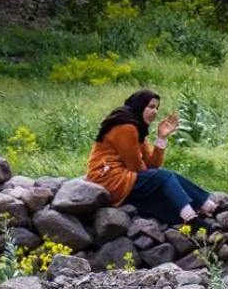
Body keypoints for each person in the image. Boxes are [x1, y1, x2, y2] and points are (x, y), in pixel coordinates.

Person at [86, 88, 217, 224]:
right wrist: (154, 176)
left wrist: (161, 138)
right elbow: (135, 166)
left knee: (168, 205)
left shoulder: (137, 128)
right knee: (165, 176)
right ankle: (193, 217)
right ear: (140, 106)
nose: (155, 111)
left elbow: (152, 164)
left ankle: (207, 212)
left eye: (157, 108)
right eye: (151, 107)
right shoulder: (126, 127)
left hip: (124, 180)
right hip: (109, 179)